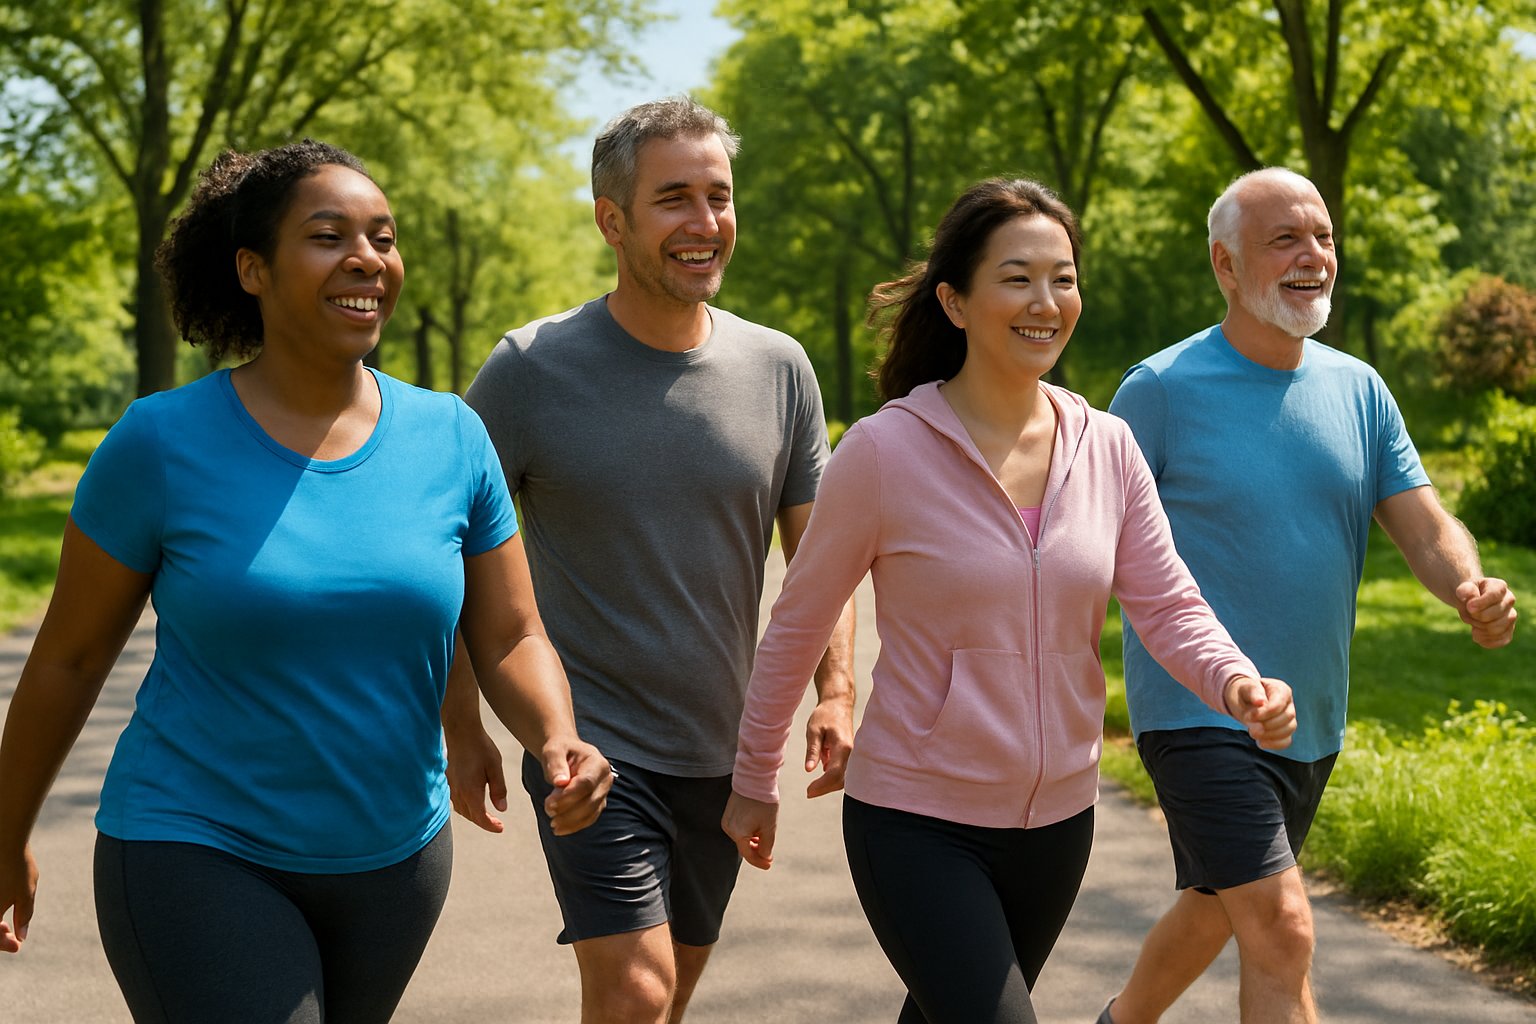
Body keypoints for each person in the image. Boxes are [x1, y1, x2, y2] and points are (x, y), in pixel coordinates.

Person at [0, 140, 612, 1023]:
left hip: (395, 859)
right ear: (253, 269)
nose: (368, 258)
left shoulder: (450, 438)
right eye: (329, 236)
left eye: (384, 237)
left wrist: (557, 738)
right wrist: (7, 831)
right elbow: (69, 655)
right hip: (194, 843)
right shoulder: (160, 442)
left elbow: (512, 634)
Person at [720, 177, 1298, 1024]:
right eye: (1018, 277)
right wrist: (752, 779)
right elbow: (799, 622)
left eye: (1063, 278)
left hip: (1058, 821)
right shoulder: (884, 453)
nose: (1047, 301)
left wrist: (1236, 683)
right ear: (955, 302)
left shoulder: (1108, 447)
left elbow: (1169, 604)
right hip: (916, 820)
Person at [443, 96, 857, 1024]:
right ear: (612, 220)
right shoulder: (529, 370)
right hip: (590, 747)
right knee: (636, 991)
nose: (705, 223)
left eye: (718, 196)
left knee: (664, 999)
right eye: (675, 198)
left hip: (722, 748)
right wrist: (459, 720)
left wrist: (836, 692)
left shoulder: (779, 367)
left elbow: (821, 558)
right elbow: (452, 552)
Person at [1098, 167, 1519, 1024]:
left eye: (1322, 235)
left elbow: (1425, 522)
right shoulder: (1159, 392)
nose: (1312, 255)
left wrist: (1468, 586)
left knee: (1221, 907)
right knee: (1284, 928)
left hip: (1312, 718)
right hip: (1200, 713)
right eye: (1283, 239)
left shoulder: (1359, 390)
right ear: (1225, 264)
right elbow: (1091, 546)